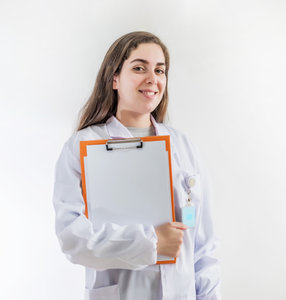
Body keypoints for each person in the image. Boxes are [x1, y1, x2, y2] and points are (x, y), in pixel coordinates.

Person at [53, 31, 221, 300]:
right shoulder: (83, 145)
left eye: (160, 70)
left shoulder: (183, 146)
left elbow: (204, 246)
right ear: (115, 78)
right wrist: (152, 242)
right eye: (139, 67)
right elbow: (73, 238)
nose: (152, 79)